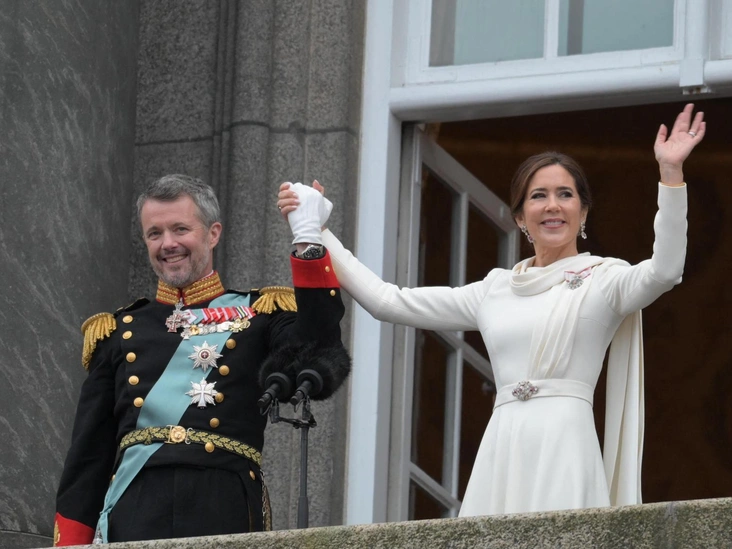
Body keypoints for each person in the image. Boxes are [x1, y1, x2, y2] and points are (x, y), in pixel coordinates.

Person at [277, 104, 705, 516]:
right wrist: (319, 231)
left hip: (567, 444)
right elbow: (388, 300)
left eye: (565, 194)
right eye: (538, 196)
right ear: (520, 217)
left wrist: (670, 174)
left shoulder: (605, 279)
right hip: (503, 446)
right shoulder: (494, 290)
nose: (552, 205)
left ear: (583, 211)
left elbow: (665, 270)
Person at [54, 174, 347, 545]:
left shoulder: (261, 313)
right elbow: (88, 459)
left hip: (223, 504)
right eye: (155, 233)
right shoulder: (116, 330)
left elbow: (317, 347)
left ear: (213, 234)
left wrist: (307, 237)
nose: (168, 243)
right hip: (135, 509)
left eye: (180, 229)